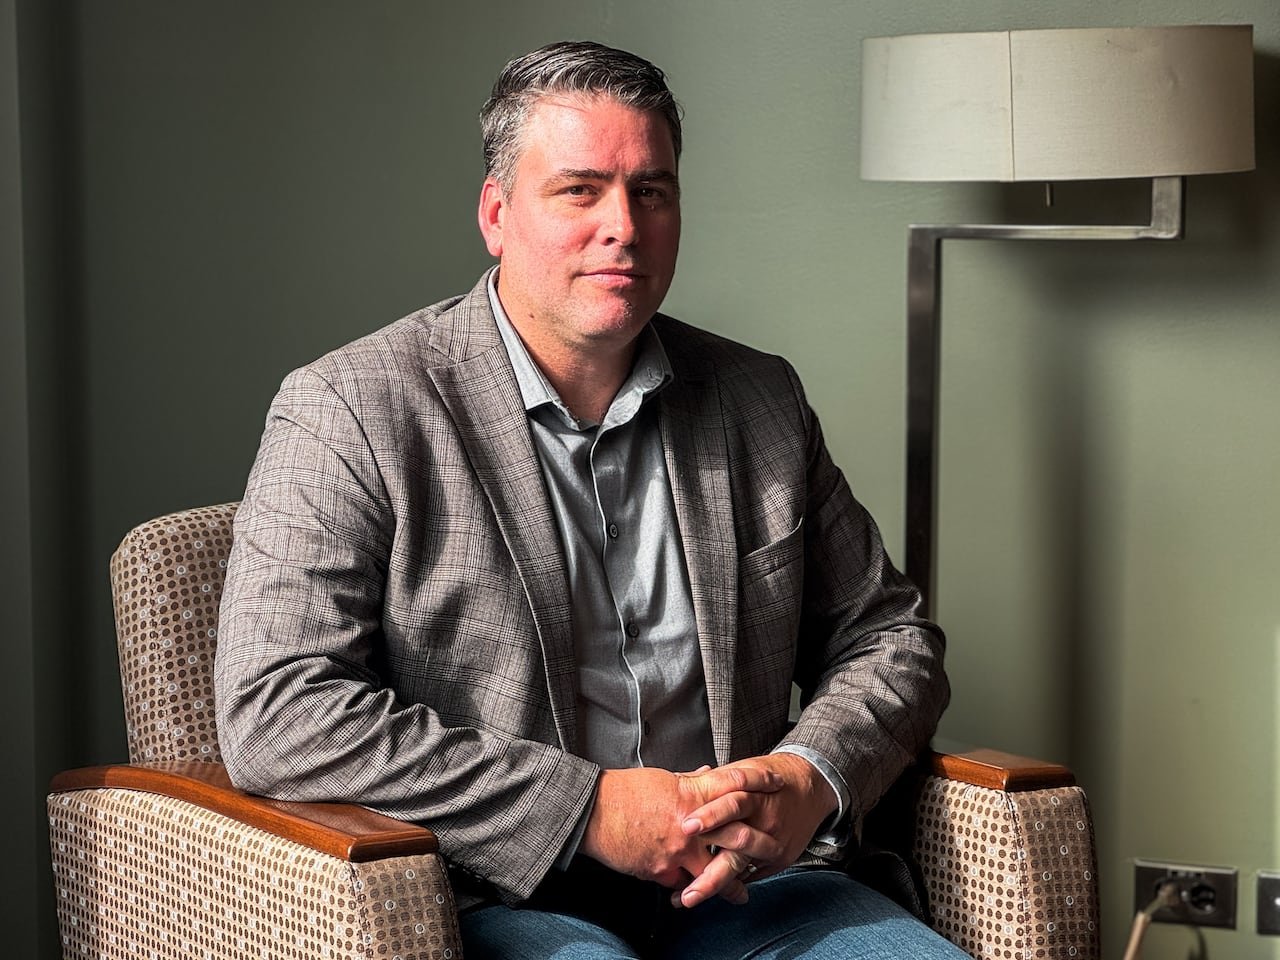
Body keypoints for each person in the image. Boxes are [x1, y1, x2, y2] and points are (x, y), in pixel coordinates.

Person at [214, 39, 964, 960]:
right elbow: (277, 709)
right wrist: (587, 810)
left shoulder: (756, 398)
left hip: (754, 890)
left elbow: (891, 638)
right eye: (580, 191)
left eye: (651, 191)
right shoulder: (352, 408)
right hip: (503, 895)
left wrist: (809, 777)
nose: (625, 226)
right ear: (496, 213)